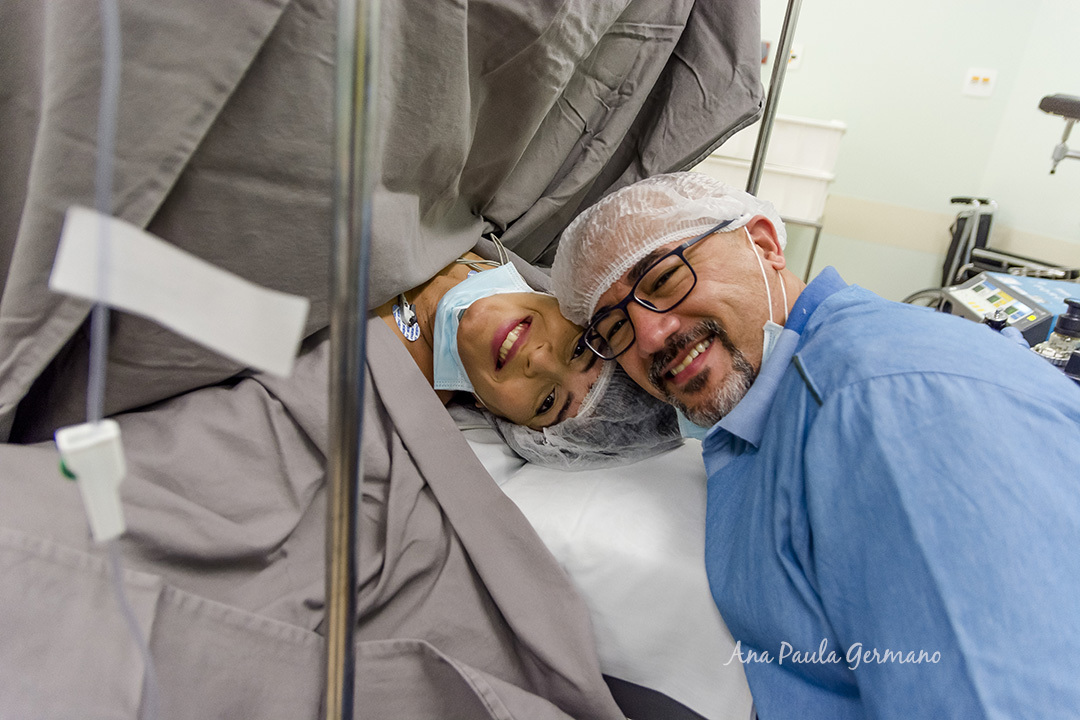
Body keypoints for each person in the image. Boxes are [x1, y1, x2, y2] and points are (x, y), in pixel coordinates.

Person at [549, 172, 1080, 717]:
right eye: (613, 328)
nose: (650, 335)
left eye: (663, 280)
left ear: (764, 243)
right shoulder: (769, 414)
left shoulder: (877, 402)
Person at [375, 248, 680, 468]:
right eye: (578, 349)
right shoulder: (510, 221)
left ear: (501, 417)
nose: (539, 361)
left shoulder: (370, 385)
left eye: (547, 402)